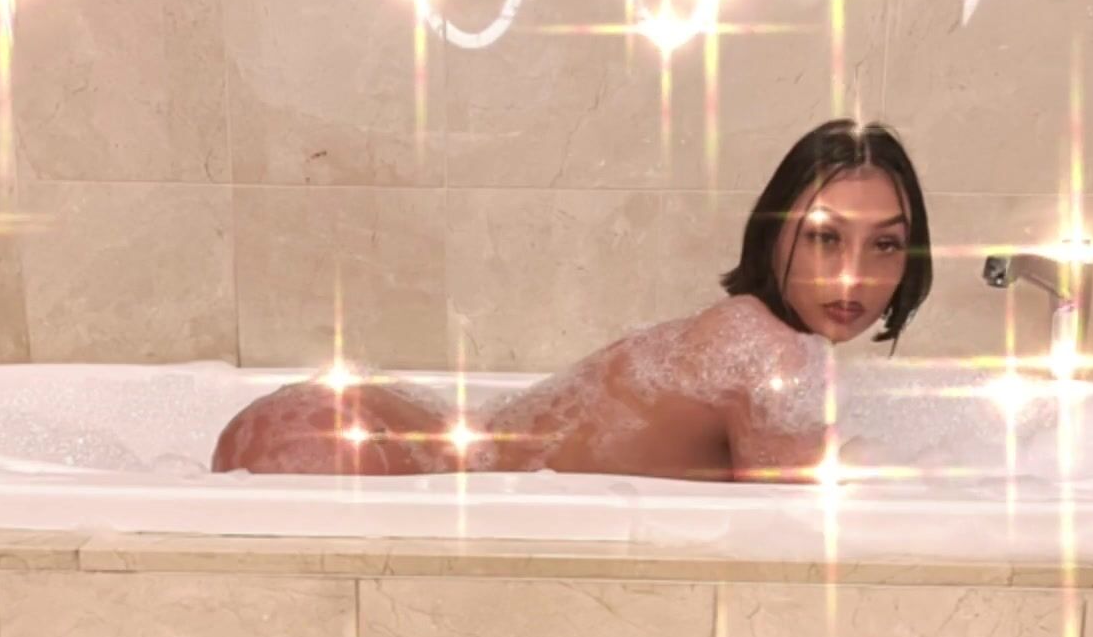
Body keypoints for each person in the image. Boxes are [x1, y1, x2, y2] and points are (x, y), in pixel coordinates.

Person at [210, 119, 933, 482]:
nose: (853, 279)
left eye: (885, 245)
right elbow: (800, 562)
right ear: (776, 234)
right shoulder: (773, 361)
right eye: (825, 238)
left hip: (349, 427)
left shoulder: (747, 334)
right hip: (337, 452)